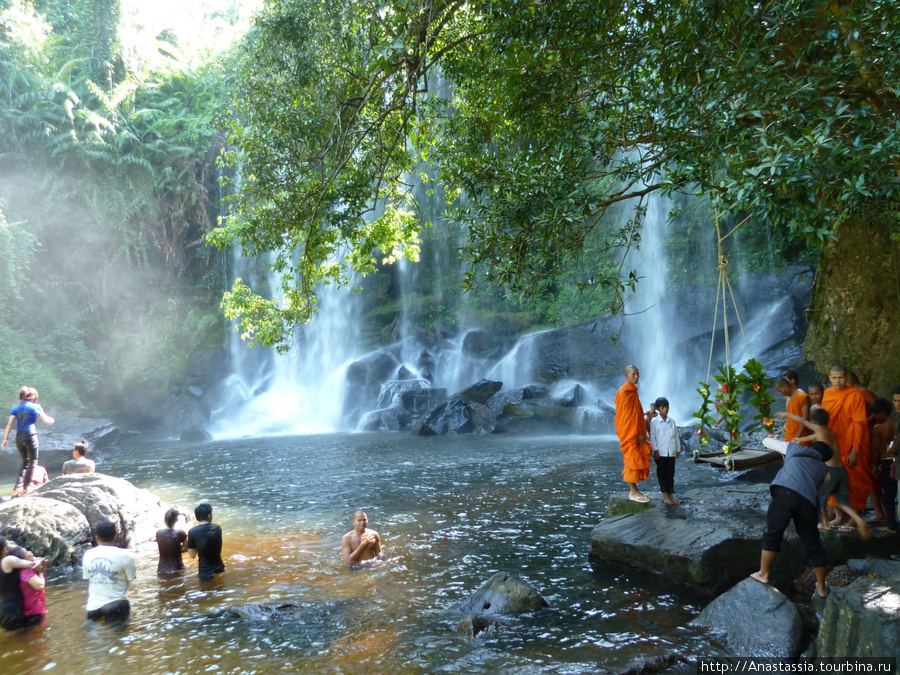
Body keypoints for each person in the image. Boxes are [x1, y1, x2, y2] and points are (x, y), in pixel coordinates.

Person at [751, 438, 832, 598]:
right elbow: (820, 492)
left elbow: (765, 441)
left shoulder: (794, 448)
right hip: (807, 502)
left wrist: (788, 446)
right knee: (813, 544)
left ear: (811, 447)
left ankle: (763, 574)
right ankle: (822, 587)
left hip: (784, 493)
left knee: (773, 534)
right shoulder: (825, 470)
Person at [781, 408, 871, 537]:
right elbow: (816, 436)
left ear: (815, 422)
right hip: (841, 470)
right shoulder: (830, 432)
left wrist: (787, 414)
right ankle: (859, 520)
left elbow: (802, 421)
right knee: (842, 500)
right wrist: (799, 440)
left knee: (820, 496)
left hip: (831, 471)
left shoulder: (819, 430)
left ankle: (826, 523)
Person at [821, 365, 877, 516]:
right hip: (835, 444)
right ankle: (840, 516)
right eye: (834, 378)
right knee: (835, 479)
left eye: (841, 377)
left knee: (855, 481)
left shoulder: (855, 395)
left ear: (846, 378)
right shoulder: (827, 394)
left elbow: (860, 423)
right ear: (830, 378)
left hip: (852, 443)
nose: (838, 381)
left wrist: (855, 450)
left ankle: (855, 518)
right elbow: (826, 422)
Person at [1, 387, 54, 496]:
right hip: (31, 436)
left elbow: (10, 424)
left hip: (19, 437)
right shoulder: (36, 407)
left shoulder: (16, 408)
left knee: (25, 462)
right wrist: (51, 420)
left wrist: (5, 439)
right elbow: (47, 421)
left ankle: (17, 487)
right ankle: (26, 488)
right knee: (33, 461)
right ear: (33, 397)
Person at [83, 520, 136, 621]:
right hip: (117, 605)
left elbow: (87, 576)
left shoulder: (87, 555)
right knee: (117, 635)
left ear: (97, 538)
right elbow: (131, 577)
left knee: (94, 635)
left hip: (93, 607)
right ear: (115, 535)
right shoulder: (125, 555)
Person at [614, 365, 653, 503]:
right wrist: (638, 433)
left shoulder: (632, 391)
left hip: (635, 430)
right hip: (630, 432)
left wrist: (644, 424)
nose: (636, 377)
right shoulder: (624, 392)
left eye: (638, 374)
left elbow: (634, 412)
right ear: (626, 376)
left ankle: (635, 490)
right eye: (633, 374)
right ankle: (632, 492)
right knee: (631, 459)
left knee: (635, 457)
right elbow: (628, 417)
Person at [0, 536, 43, 630]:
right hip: (13, 608)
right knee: (17, 638)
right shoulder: (8, 560)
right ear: (4, 549)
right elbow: (33, 565)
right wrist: (38, 561)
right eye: (8, 545)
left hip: (3, 607)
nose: (10, 546)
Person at [870, 398, 898, 533]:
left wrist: (874, 465)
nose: (874, 417)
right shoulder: (895, 423)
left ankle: (891, 525)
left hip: (887, 462)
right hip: (897, 460)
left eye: (875, 414)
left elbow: (876, 448)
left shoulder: (878, 427)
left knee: (888, 495)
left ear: (881, 412)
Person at [649, 397, 681, 506]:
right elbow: (653, 437)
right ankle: (665, 494)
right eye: (663, 407)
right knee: (662, 473)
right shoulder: (654, 421)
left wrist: (678, 449)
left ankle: (670, 493)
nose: (665, 409)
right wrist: (655, 450)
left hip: (671, 451)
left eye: (667, 407)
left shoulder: (672, 421)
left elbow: (676, 436)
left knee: (670, 473)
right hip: (661, 452)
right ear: (658, 409)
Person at [187, 503, 225, 580]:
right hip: (219, 568)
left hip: (205, 571)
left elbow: (192, 555)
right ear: (209, 516)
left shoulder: (192, 532)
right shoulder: (217, 528)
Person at [14, 547, 47, 627]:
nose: (30, 551)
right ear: (22, 559)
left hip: (36, 609)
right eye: (27, 552)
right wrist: (40, 572)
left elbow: (42, 580)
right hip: (33, 611)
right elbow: (40, 585)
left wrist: (43, 566)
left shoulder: (29, 569)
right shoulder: (26, 571)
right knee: (37, 634)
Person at [774, 376, 810, 445]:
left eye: (780, 391)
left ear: (786, 386)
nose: (781, 393)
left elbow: (805, 420)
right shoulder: (789, 398)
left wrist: (796, 438)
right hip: (790, 435)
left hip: (801, 437)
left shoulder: (802, 397)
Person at [156, 508, 187, 574]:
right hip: (177, 568)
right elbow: (186, 549)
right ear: (176, 521)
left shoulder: (158, 533)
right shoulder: (181, 533)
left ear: (165, 521)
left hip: (161, 570)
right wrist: (178, 548)